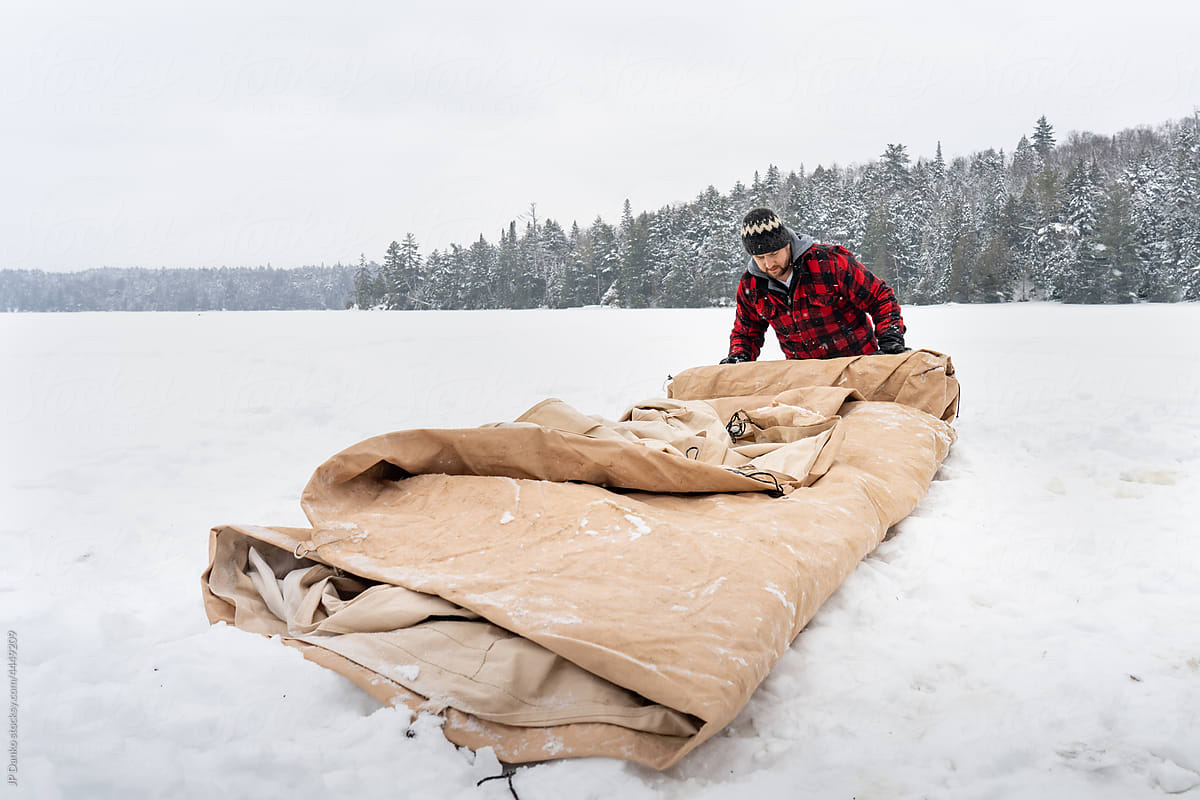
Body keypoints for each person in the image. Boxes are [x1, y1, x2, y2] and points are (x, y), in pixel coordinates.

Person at [720, 208, 907, 363]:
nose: (768, 264)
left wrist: (890, 339)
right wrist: (739, 356)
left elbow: (880, 297)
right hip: (807, 378)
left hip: (857, 363)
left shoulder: (829, 263)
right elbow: (745, 331)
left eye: (774, 254)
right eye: (760, 258)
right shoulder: (751, 285)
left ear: (787, 244)